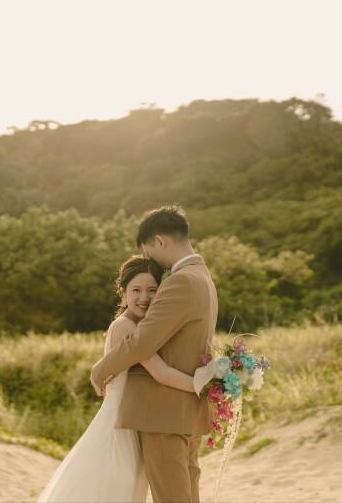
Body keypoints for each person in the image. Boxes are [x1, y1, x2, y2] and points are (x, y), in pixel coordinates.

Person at [37, 253, 201, 503]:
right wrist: (205, 385)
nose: (143, 298)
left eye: (152, 290)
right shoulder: (126, 327)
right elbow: (161, 373)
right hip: (118, 427)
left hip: (133, 422)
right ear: (123, 294)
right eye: (136, 290)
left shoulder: (146, 327)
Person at [90, 204, 218, 503]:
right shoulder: (203, 277)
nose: (151, 261)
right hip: (185, 411)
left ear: (160, 241)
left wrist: (100, 369)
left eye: (148, 252)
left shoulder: (181, 280)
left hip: (163, 414)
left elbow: (144, 341)